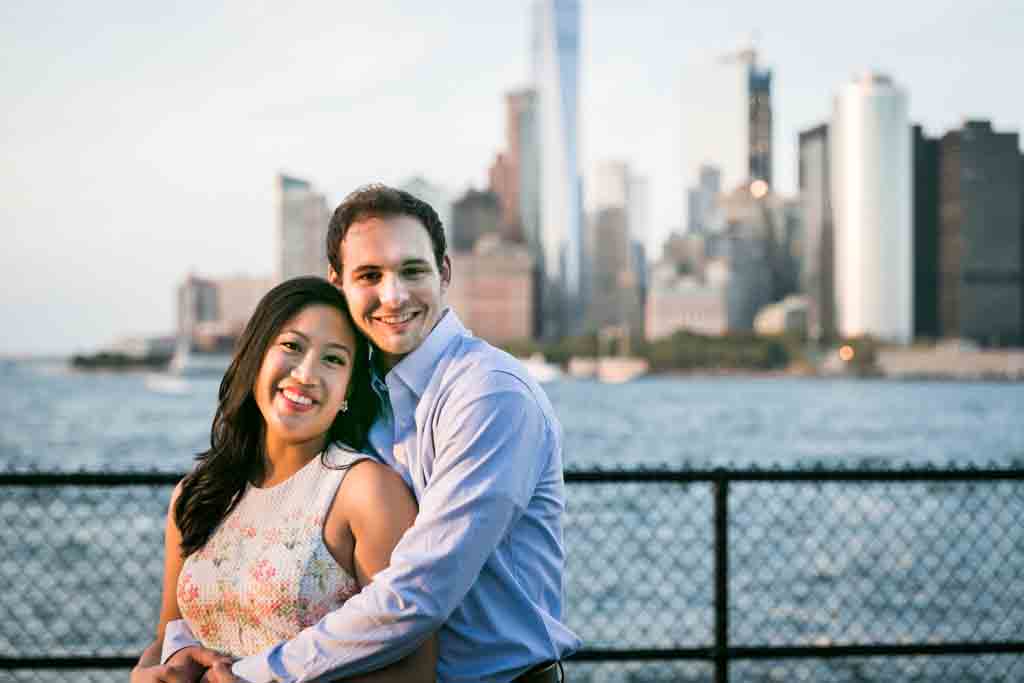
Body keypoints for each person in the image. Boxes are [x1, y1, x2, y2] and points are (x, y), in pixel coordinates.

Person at [163, 184, 580, 683]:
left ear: (443, 272)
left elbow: (418, 593)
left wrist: (251, 676)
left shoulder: (489, 396)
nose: (394, 295)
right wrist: (173, 658)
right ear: (338, 283)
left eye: (413, 270)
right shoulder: (358, 397)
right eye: (369, 275)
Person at [131, 276, 437, 683]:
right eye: (292, 346)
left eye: (333, 359)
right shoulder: (197, 493)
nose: (306, 374)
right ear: (255, 357)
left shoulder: (366, 492)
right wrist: (143, 674)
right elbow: (168, 636)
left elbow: (413, 672)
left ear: (348, 389)